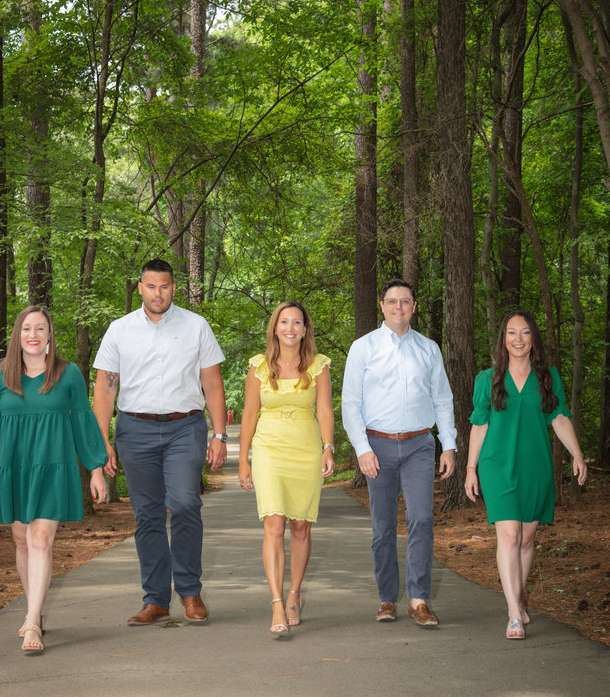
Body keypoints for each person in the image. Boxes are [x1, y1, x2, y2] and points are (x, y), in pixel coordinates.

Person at [0, 305, 107, 654]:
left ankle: (33, 622)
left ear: (50, 335)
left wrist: (96, 467)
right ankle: (32, 611)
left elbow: (83, 420)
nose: (33, 335)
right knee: (22, 540)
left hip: (53, 465)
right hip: (11, 465)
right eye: (27, 329)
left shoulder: (67, 374)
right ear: (18, 335)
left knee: (41, 539)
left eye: (40, 328)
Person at [92, 258, 227, 626]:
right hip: (135, 430)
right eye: (151, 286)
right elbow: (105, 387)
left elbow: (212, 383)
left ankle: (190, 592)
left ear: (173, 288)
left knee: (185, 504)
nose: (158, 293)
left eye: (164, 286)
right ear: (140, 288)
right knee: (147, 515)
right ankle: (156, 600)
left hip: (186, 428)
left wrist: (219, 434)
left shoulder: (196, 326)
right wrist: (101, 440)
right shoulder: (119, 330)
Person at [464, 310, 587, 640]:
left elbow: (559, 418)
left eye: (525, 333)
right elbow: (479, 424)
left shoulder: (548, 377)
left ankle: (516, 600)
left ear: (533, 338)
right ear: (503, 339)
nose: (518, 339)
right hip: (496, 464)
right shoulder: (487, 379)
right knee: (508, 535)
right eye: (511, 333)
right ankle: (514, 613)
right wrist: (471, 469)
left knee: (527, 538)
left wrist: (577, 454)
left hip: (535, 465)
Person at [342, 280, 456, 627]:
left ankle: (419, 600)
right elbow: (351, 402)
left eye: (405, 301)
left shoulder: (429, 349)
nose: (398, 307)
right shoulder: (364, 348)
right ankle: (387, 599)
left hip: (420, 444)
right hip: (378, 446)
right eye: (392, 301)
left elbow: (442, 399)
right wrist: (362, 449)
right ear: (382, 306)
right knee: (383, 527)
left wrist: (448, 445)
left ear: (414, 306)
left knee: (421, 519)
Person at [238, 302, 334, 637]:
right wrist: (243, 460)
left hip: (306, 451)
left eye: (297, 322)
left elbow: (324, 411)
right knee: (273, 525)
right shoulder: (258, 367)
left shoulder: (319, 367)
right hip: (269, 450)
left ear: (305, 329)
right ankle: (276, 601)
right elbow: (249, 414)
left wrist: (328, 448)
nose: (290, 328)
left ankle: (295, 593)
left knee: (301, 528)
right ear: (275, 328)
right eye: (284, 322)